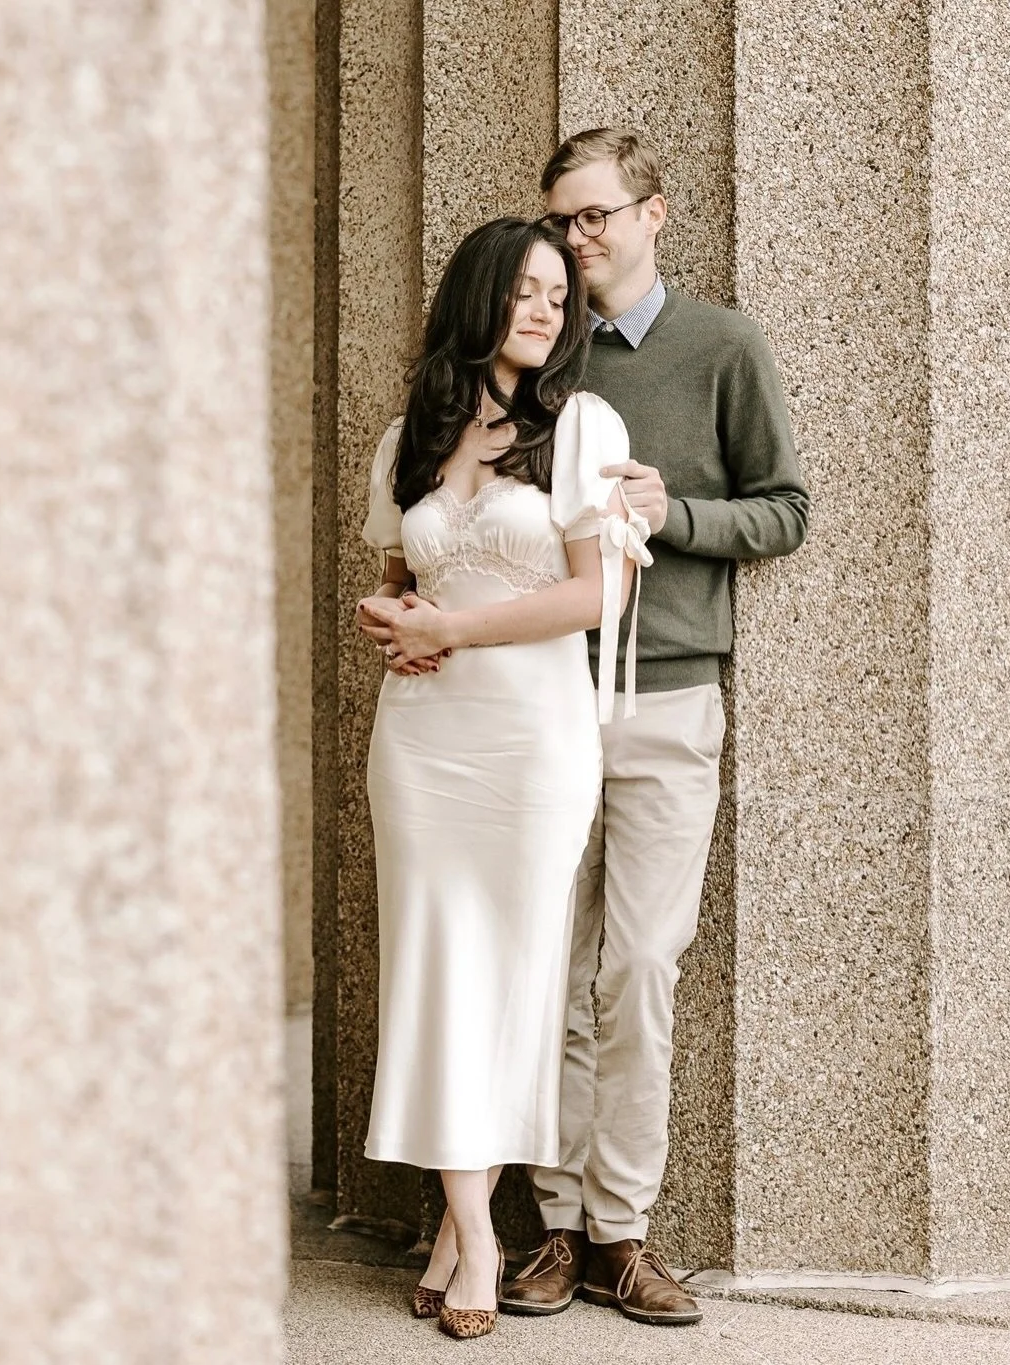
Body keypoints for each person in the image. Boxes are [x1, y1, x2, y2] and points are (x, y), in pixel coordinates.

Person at [498, 129, 810, 1327]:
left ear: (653, 214)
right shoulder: (543, 355)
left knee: (638, 968)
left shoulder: (725, 345)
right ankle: (556, 1230)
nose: (578, 241)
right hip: (539, 696)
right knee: (551, 971)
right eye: (563, 222)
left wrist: (671, 512)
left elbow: (784, 510)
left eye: (597, 217)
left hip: (672, 698)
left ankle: (625, 1230)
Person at [355, 215, 653, 1341]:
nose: (545, 309)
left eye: (556, 295)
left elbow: (597, 597)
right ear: (477, 298)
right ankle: (474, 1231)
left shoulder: (582, 426)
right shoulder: (410, 438)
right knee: (434, 969)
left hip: (532, 741)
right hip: (423, 740)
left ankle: (461, 1221)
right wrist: (395, 623)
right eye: (524, 290)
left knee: (516, 975)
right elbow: (397, 582)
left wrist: (462, 634)